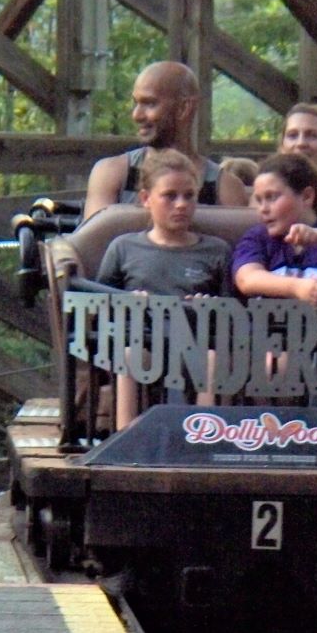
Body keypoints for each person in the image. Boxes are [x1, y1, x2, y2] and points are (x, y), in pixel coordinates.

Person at [97, 148, 231, 427]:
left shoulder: (215, 251)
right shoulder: (124, 247)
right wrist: (127, 302)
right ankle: (126, 434)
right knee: (131, 355)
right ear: (146, 199)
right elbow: (99, 303)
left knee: (210, 359)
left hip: (197, 342)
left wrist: (210, 306)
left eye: (189, 196)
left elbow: (234, 310)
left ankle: (204, 433)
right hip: (143, 341)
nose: (181, 204)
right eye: (170, 196)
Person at [83, 61, 248, 220]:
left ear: (184, 108)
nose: (136, 115)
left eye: (149, 104)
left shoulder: (224, 188)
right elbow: (94, 244)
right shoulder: (113, 173)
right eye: (136, 103)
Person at [233, 152, 317, 305]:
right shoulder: (257, 237)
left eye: (272, 197)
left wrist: (314, 236)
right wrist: (295, 287)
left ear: (307, 196)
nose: (263, 209)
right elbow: (247, 279)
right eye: (259, 200)